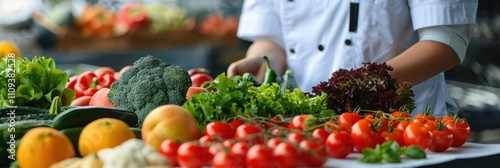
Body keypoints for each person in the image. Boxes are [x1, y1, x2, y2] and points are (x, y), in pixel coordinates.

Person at [227, 0, 478, 116]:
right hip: (304, 130)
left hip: (399, 130)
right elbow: (272, 39)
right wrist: (264, 61)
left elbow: (445, 43)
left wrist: (353, 89)